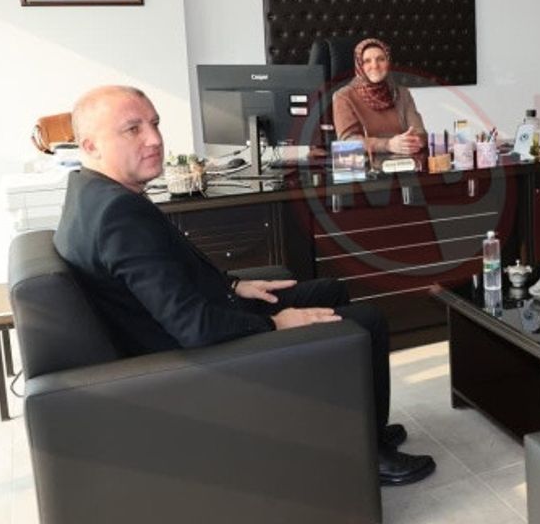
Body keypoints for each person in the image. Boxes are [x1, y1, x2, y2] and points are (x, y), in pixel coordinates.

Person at [52, 85, 436, 486]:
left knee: (330, 291)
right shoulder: (119, 215)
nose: (154, 139)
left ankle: (367, 429)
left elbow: (166, 277)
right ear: (90, 145)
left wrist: (234, 285)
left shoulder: (92, 193)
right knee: (367, 320)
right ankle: (369, 457)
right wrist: (276, 324)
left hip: (198, 321)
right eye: (133, 129)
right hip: (198, 363)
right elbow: (193, 326)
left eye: (155, 124)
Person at [332, 38, 426, 156]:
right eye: (367, 61)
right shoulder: (344, 97)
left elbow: (419, 132)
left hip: (404, 162)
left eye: (381, 59)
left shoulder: (402, 93)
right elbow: (347, 142)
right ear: (359, 65)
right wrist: (388, 145)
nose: (375, 65)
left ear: (388, 62)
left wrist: (417, 140)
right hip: (367, 165)